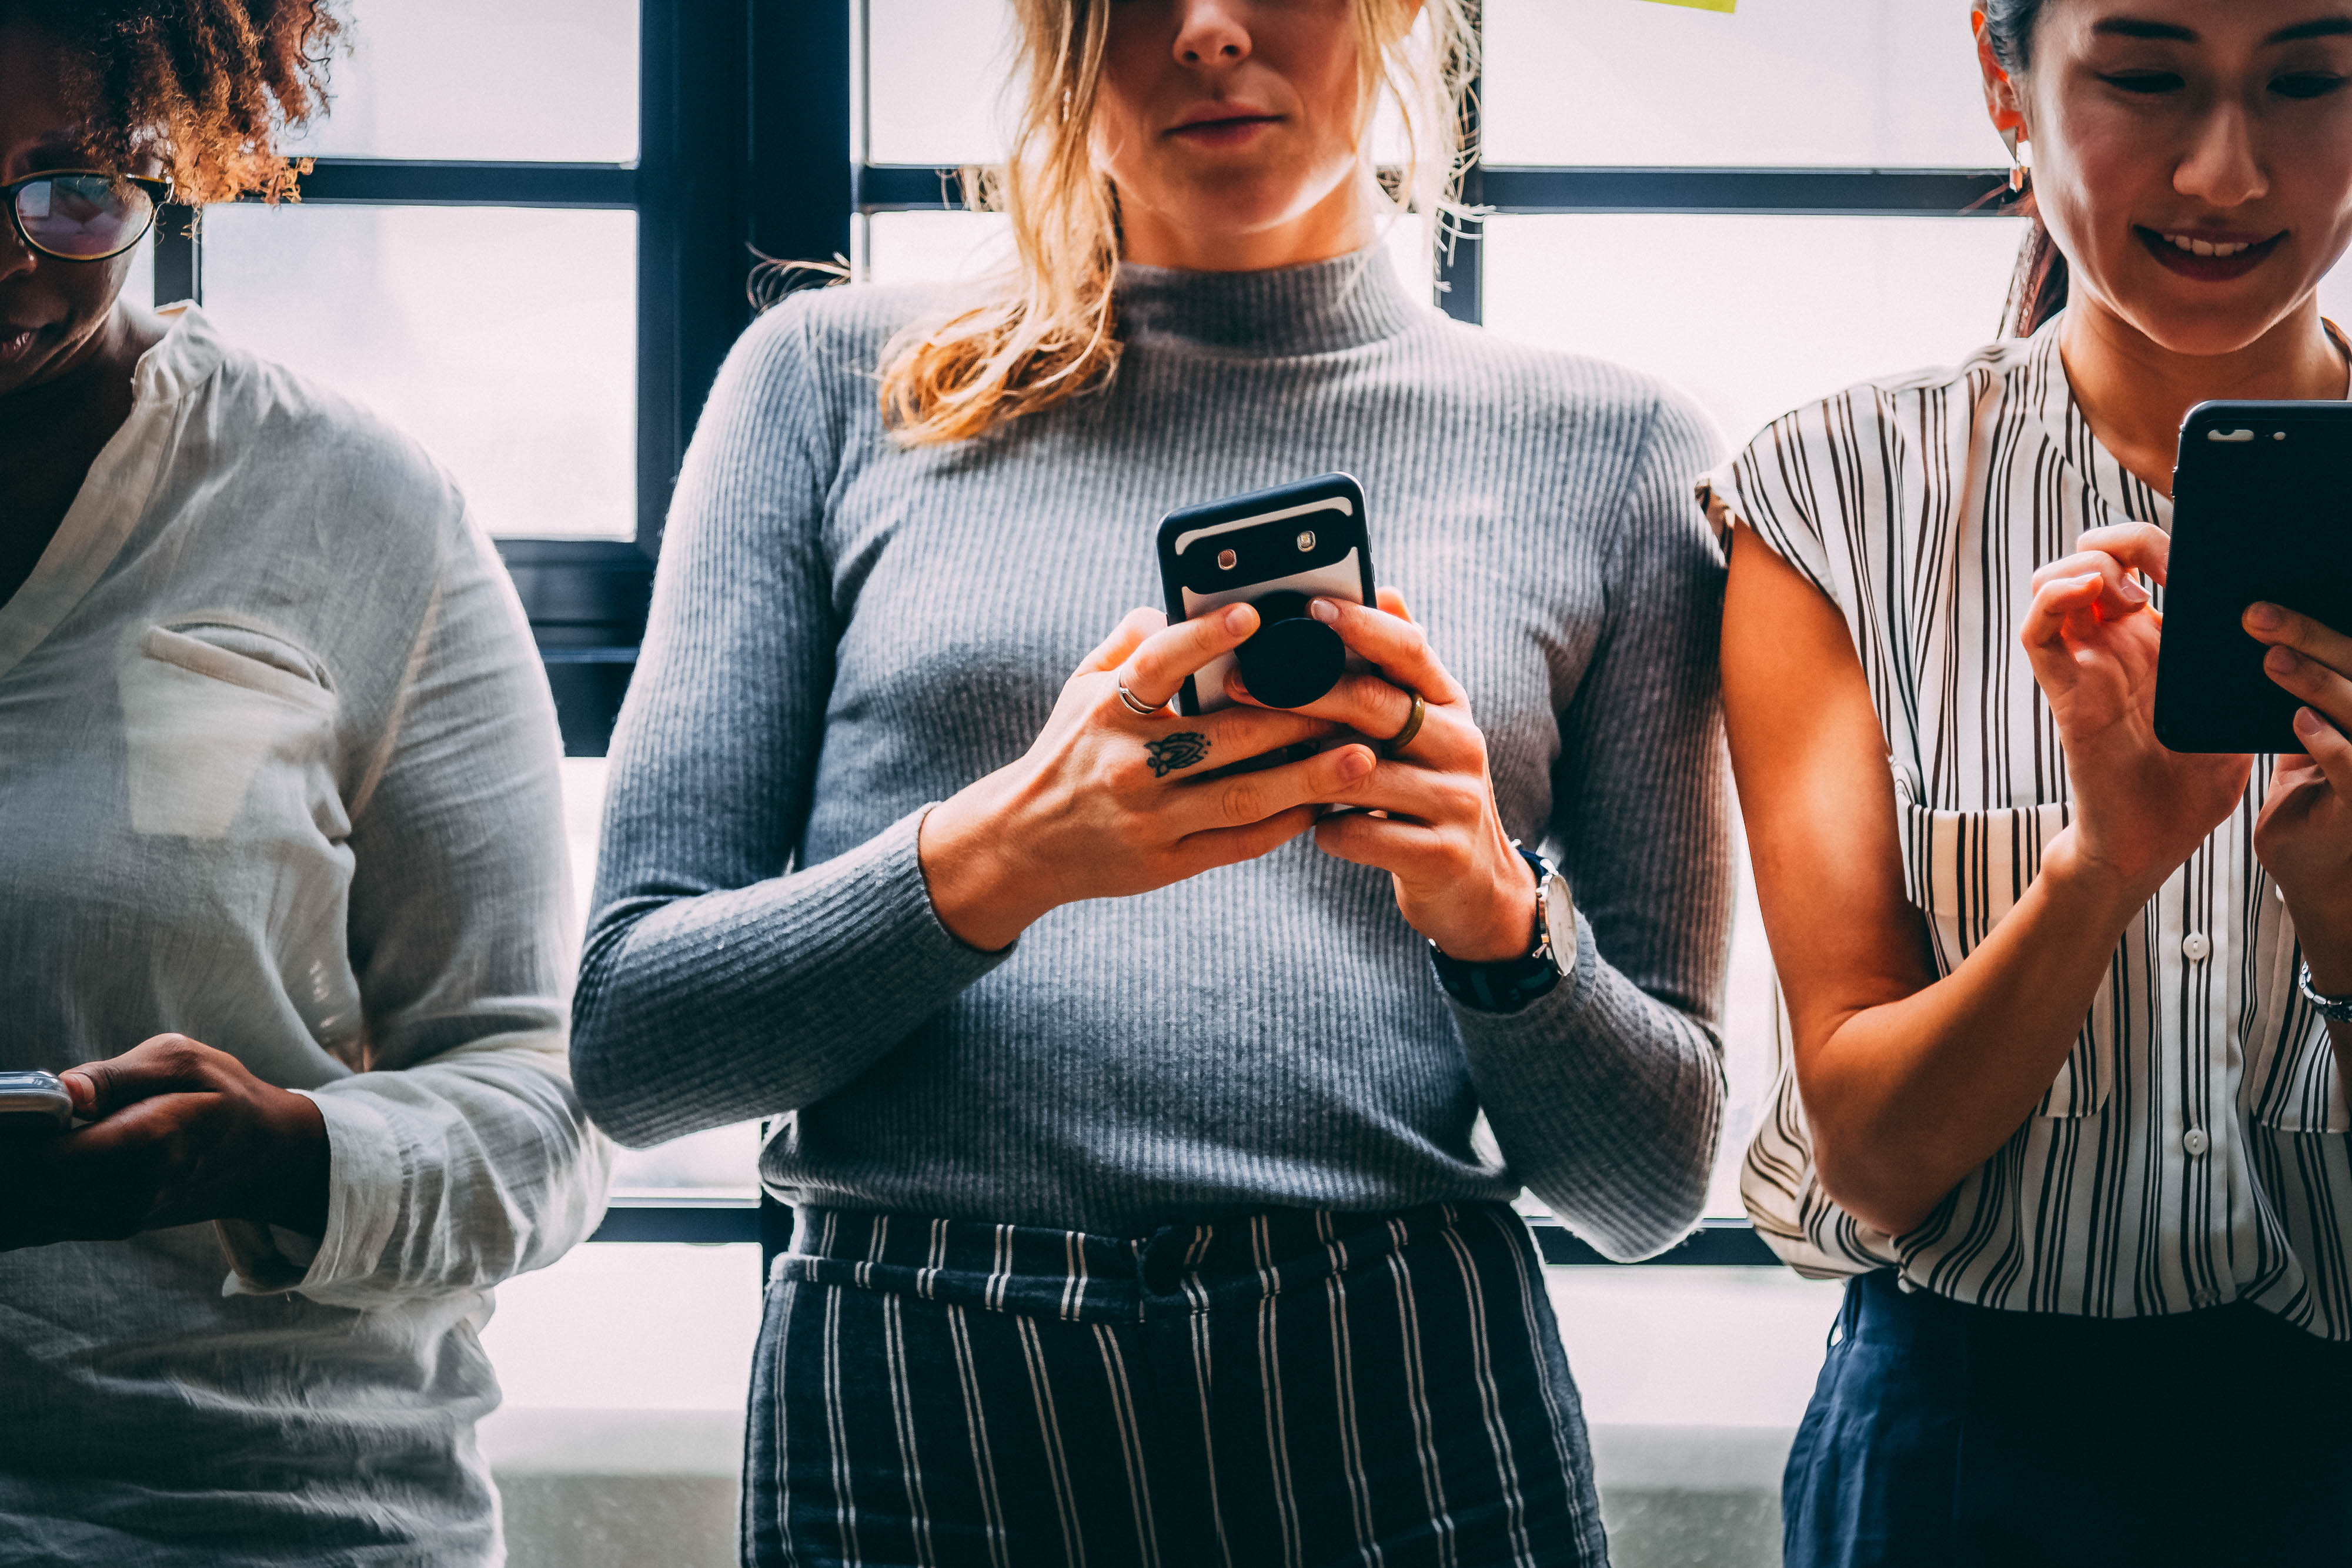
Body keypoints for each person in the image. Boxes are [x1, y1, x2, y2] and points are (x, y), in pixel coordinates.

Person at [570, 0, 1733, 1563]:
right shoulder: (826, 387)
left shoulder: (1618, 451)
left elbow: (1651, 1184)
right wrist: (1011, 852)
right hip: (918, 1368)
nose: (1206, 28)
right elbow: (635, 1046)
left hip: (1397, 1371)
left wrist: (1493, 913)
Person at [1710, 2, 2352, 1563]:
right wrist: (2101, 869)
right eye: (2146, 77)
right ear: (2008, 85)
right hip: (1960, 1448)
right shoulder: (1834, 495)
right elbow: (1870, 1149)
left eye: (2310, 79)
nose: (2224, 170)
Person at [0, 3, 608, 1562]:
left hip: (263, 1522)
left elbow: (554, 1108)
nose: (9, 254)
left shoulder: (352, 511)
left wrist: (279, 1151)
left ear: (163, 153)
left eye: (70, 187)